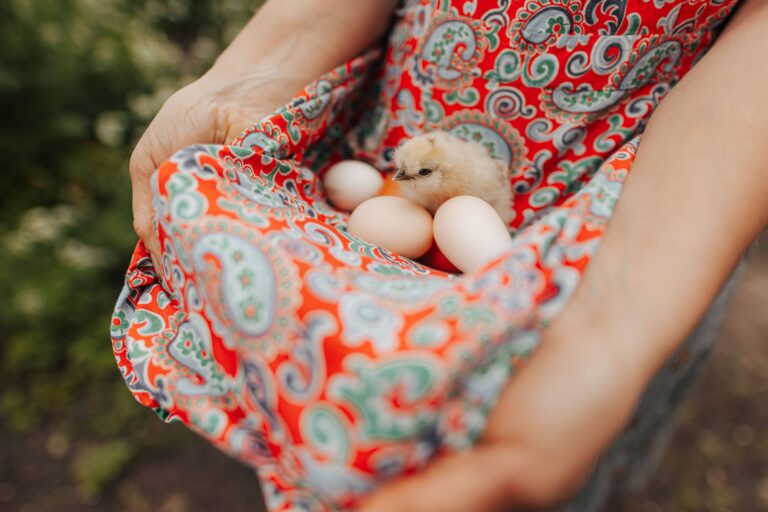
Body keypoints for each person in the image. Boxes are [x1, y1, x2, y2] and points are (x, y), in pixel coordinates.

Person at [123, 0, 768, 510]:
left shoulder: (457, 198)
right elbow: (402, 201)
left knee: (539, 423)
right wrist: (252, 75)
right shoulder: (406, 185)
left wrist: (613, 315)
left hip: (636, 200)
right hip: (402, 109)